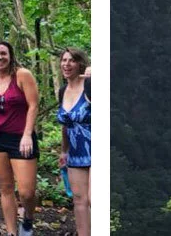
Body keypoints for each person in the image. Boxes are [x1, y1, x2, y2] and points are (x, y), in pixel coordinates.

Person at [0, 41, 40, 236]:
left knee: (26, 192)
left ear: (10, 55)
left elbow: (33, 105)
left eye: (3, 54)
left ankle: (28, 218)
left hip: (21, 138)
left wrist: (27, 134)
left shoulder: (22, 75)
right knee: (5, 188)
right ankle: (12, 232)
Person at [57, 48, 91, 236]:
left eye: (72, 60)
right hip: (75, 152)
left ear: (80, 64)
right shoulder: (63, 91)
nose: (67, 64)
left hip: (93, 148)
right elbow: (65, 124)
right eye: (64, 60)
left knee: (94, 198)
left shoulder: (89, 86)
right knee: (79, 200)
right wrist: (64, 151)